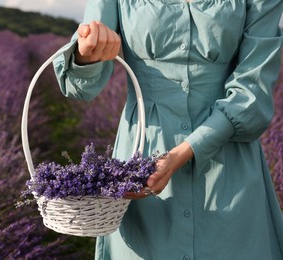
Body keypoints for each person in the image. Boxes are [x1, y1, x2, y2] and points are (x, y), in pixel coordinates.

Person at [52, 0, 283, 259]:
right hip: (143, 164)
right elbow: (79, 87)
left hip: (228, 169)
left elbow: (252, 94)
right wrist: (86, 54)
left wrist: (184, 152)